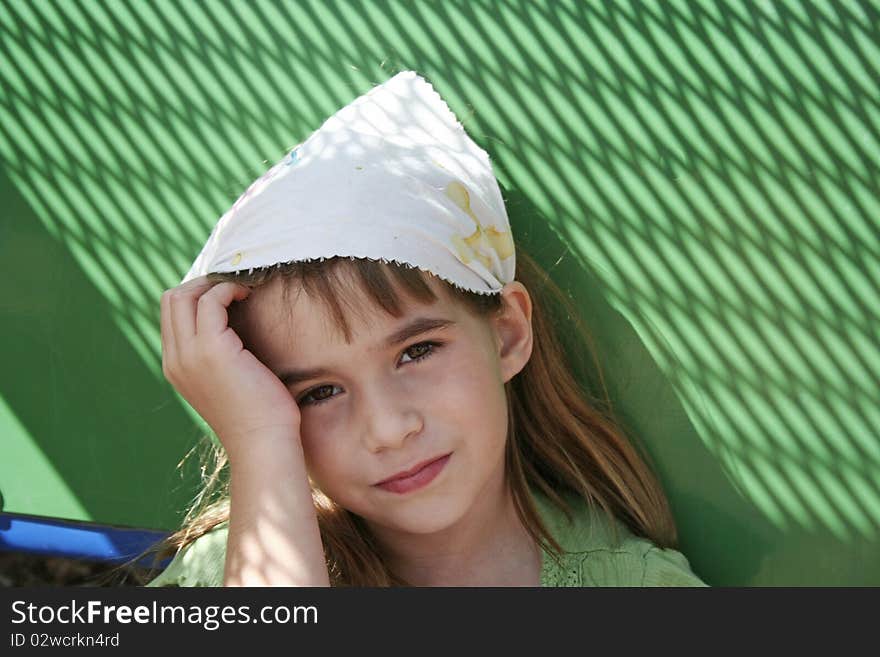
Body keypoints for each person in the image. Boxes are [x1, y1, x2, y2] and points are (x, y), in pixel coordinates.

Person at [141, 70, 707, 587]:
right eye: (317, 393)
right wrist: (260, 440)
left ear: (506, 333)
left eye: (416, 352)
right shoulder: (237, 569)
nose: (388, 428)